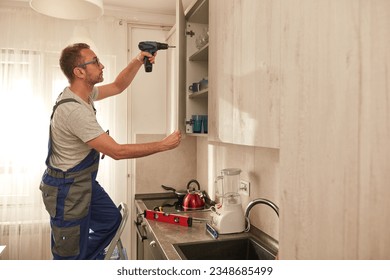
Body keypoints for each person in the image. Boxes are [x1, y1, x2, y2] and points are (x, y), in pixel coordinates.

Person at [39, 43, 181, 260]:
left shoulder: (84, 95)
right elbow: (117, 151)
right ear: (79, 72)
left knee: (111, 221)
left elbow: (117, 86)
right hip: (66, 191)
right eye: (95, 62)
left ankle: (83, 258)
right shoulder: (74, 110)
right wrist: (163, 145)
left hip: (82, 182)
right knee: (68, 254)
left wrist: (138, 60)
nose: (101, 65)